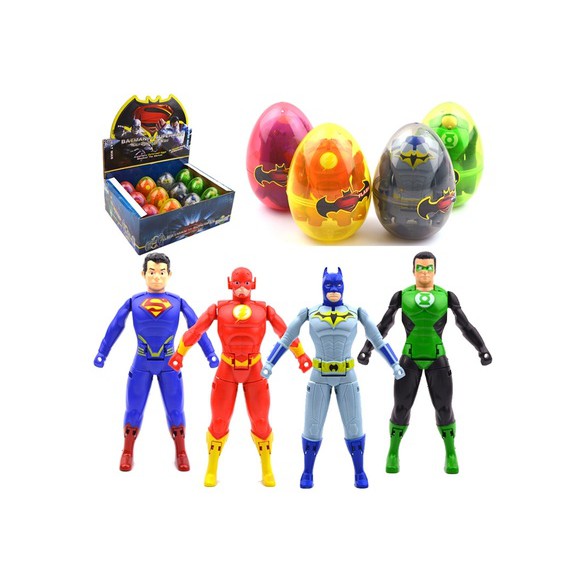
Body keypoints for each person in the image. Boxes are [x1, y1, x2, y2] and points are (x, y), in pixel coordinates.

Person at [261, 268, 405, 489]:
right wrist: (270, 363)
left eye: (338, 285)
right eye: (329, 285)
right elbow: (286, 339)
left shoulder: (357, 312)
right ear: (322, 286)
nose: (334, 289)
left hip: (347, 376)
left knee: (354, 425)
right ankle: (307, 471)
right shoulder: (309, 312)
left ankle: (359, 471)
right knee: (312, 426)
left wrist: (394, 364)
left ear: (344, 286)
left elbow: (378, 340)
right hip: (319, 376)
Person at [169, 267, 311, 487]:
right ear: (230, 283)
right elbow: (196, 330)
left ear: (253, 283)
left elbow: (285, 333)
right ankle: (211, 468)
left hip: (255, 369)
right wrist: (180, 353)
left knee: (261, 421)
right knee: (219, 421)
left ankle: (267, 468)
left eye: (245, 283)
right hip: (227, 368)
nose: (242, 287)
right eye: (237, 283)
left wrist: (300, 355)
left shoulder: (264, 309)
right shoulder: (218, 308)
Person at [358, 251, 492, 474]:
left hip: (437, 358)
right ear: (413, 270)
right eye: (420, 267)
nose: (424, 272)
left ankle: (451, 452)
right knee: (401, 407)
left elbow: (465, 325)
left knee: (444, 408)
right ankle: (393, 451)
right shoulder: (401, 296)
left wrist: (482, 348)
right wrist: (367, 349)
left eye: (429, 267)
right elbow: (384, 325)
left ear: (435, 270)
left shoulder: (447, 296)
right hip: (408, 359)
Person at [94, 253, 218, 472]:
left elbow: (196, 328)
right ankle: (127, 451)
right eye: (152, 272)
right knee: (134, 409)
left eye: (161, 272)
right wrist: (103, 352)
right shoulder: (134, 301)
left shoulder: (178, 301)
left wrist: (210, 353)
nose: (157, 277)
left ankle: (181, 452)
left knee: (175, 410)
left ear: (169, 274)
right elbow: (116, 325)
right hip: (141, 363)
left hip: (170, 364)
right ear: (143, 274)